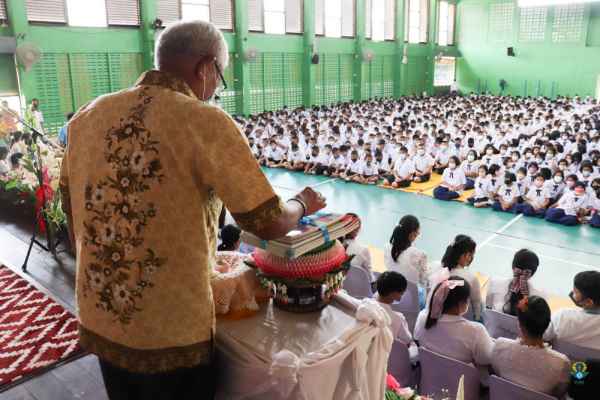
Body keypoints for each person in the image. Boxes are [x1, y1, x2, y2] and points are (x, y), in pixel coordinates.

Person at [59, 20, 327, 400]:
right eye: (220, 76)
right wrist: (302, 203)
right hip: (169, 326)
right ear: (205, 67)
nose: (216, 87)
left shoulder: (88, 116)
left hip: (101, 312)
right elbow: (268, 222)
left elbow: (72, 211)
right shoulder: (203, 121)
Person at [491, 296, 570, 397]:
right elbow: (558, 393)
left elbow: (497, 374)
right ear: (547, 325)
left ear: (519, 325)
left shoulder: (500, 346)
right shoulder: (561, 363)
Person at [414, 276, 494, 372]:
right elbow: (487, 359)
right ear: (461, 303)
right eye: (467, 300)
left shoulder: (423, 318)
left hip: (428, 377)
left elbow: (416, 338)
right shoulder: (475, 330)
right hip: (461, 381)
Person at [544, 271, 600, 350]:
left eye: (575, 292)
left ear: (589, 302)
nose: (572, 293)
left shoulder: (562, 316)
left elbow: (543, 336)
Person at [384, 215, 428, 308]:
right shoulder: (420, 254)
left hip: (389, 293)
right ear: (412, 234)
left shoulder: (387, 247)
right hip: (411, 300)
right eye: (417, 233)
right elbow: (423, 281)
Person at [486, 249, 545, 314]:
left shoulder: (539, 295)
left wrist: (526, 297)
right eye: (519, 271)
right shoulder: (495, 283)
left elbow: (488, 308)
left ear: (513, 267)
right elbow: (488, 308)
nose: (521, 275)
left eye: (525, 272)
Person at [440, 235, 482, 321]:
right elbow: (477, 305)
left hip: (438, 317)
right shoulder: (471, 278)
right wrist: (478, 321)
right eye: (471, 255)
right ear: (465, 255)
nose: (471, 258)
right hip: (460, 320)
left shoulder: (436, 270)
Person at [375, 271, 413, 346]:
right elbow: (407, 340)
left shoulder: (364, 305)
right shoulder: (398, 318)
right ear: (395, 294)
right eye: (402, 292)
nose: (402, 294)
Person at [341, 215, 374, 281]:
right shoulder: (363, 250)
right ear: (357, 230)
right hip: (356, 285)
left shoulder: (334, 248)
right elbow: (370, 278)